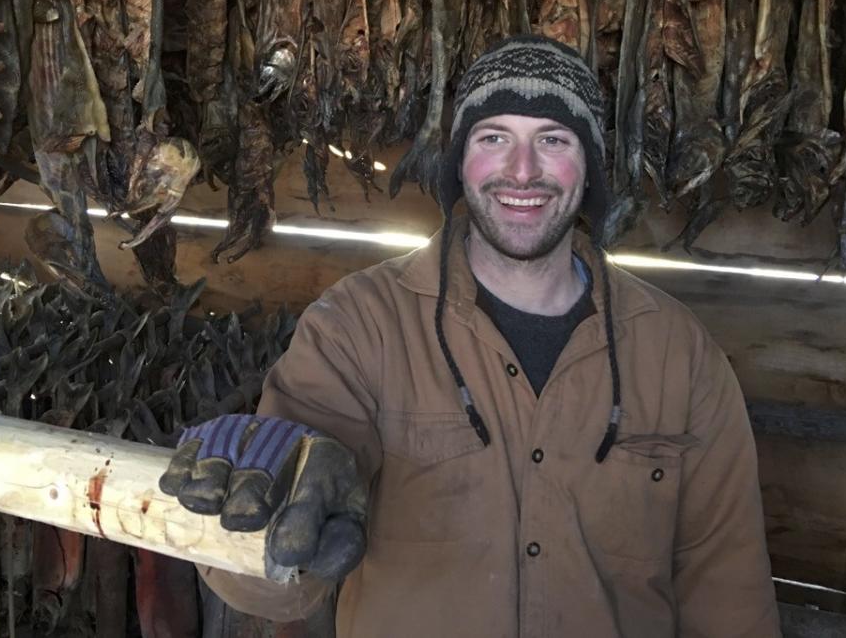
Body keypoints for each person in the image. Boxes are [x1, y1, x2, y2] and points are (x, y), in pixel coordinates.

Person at [159, 35, 781, 637]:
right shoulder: (358, 325)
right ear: (460, 161)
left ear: (589, 165)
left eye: (553, 140)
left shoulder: (678, 353)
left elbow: (728, 591)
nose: (522, 171)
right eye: (494, 138)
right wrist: (249, 513)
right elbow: (277, 581)